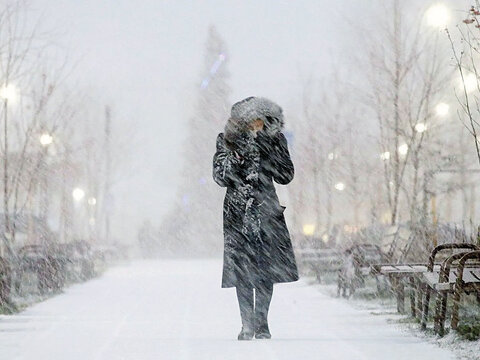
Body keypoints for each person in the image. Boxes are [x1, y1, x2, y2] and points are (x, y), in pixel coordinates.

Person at [212, 96, 299, 340]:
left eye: (260, 121)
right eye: (251, 121)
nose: (256, 125)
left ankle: (262, 323)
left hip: (267, 211)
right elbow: (219, 176)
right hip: (238, 212)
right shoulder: (227, 140)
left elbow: (286, 175)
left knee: (265, 269)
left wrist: (268, 149)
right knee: (241, 269)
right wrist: (237, 156)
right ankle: (246, 325)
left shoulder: (275, 140)